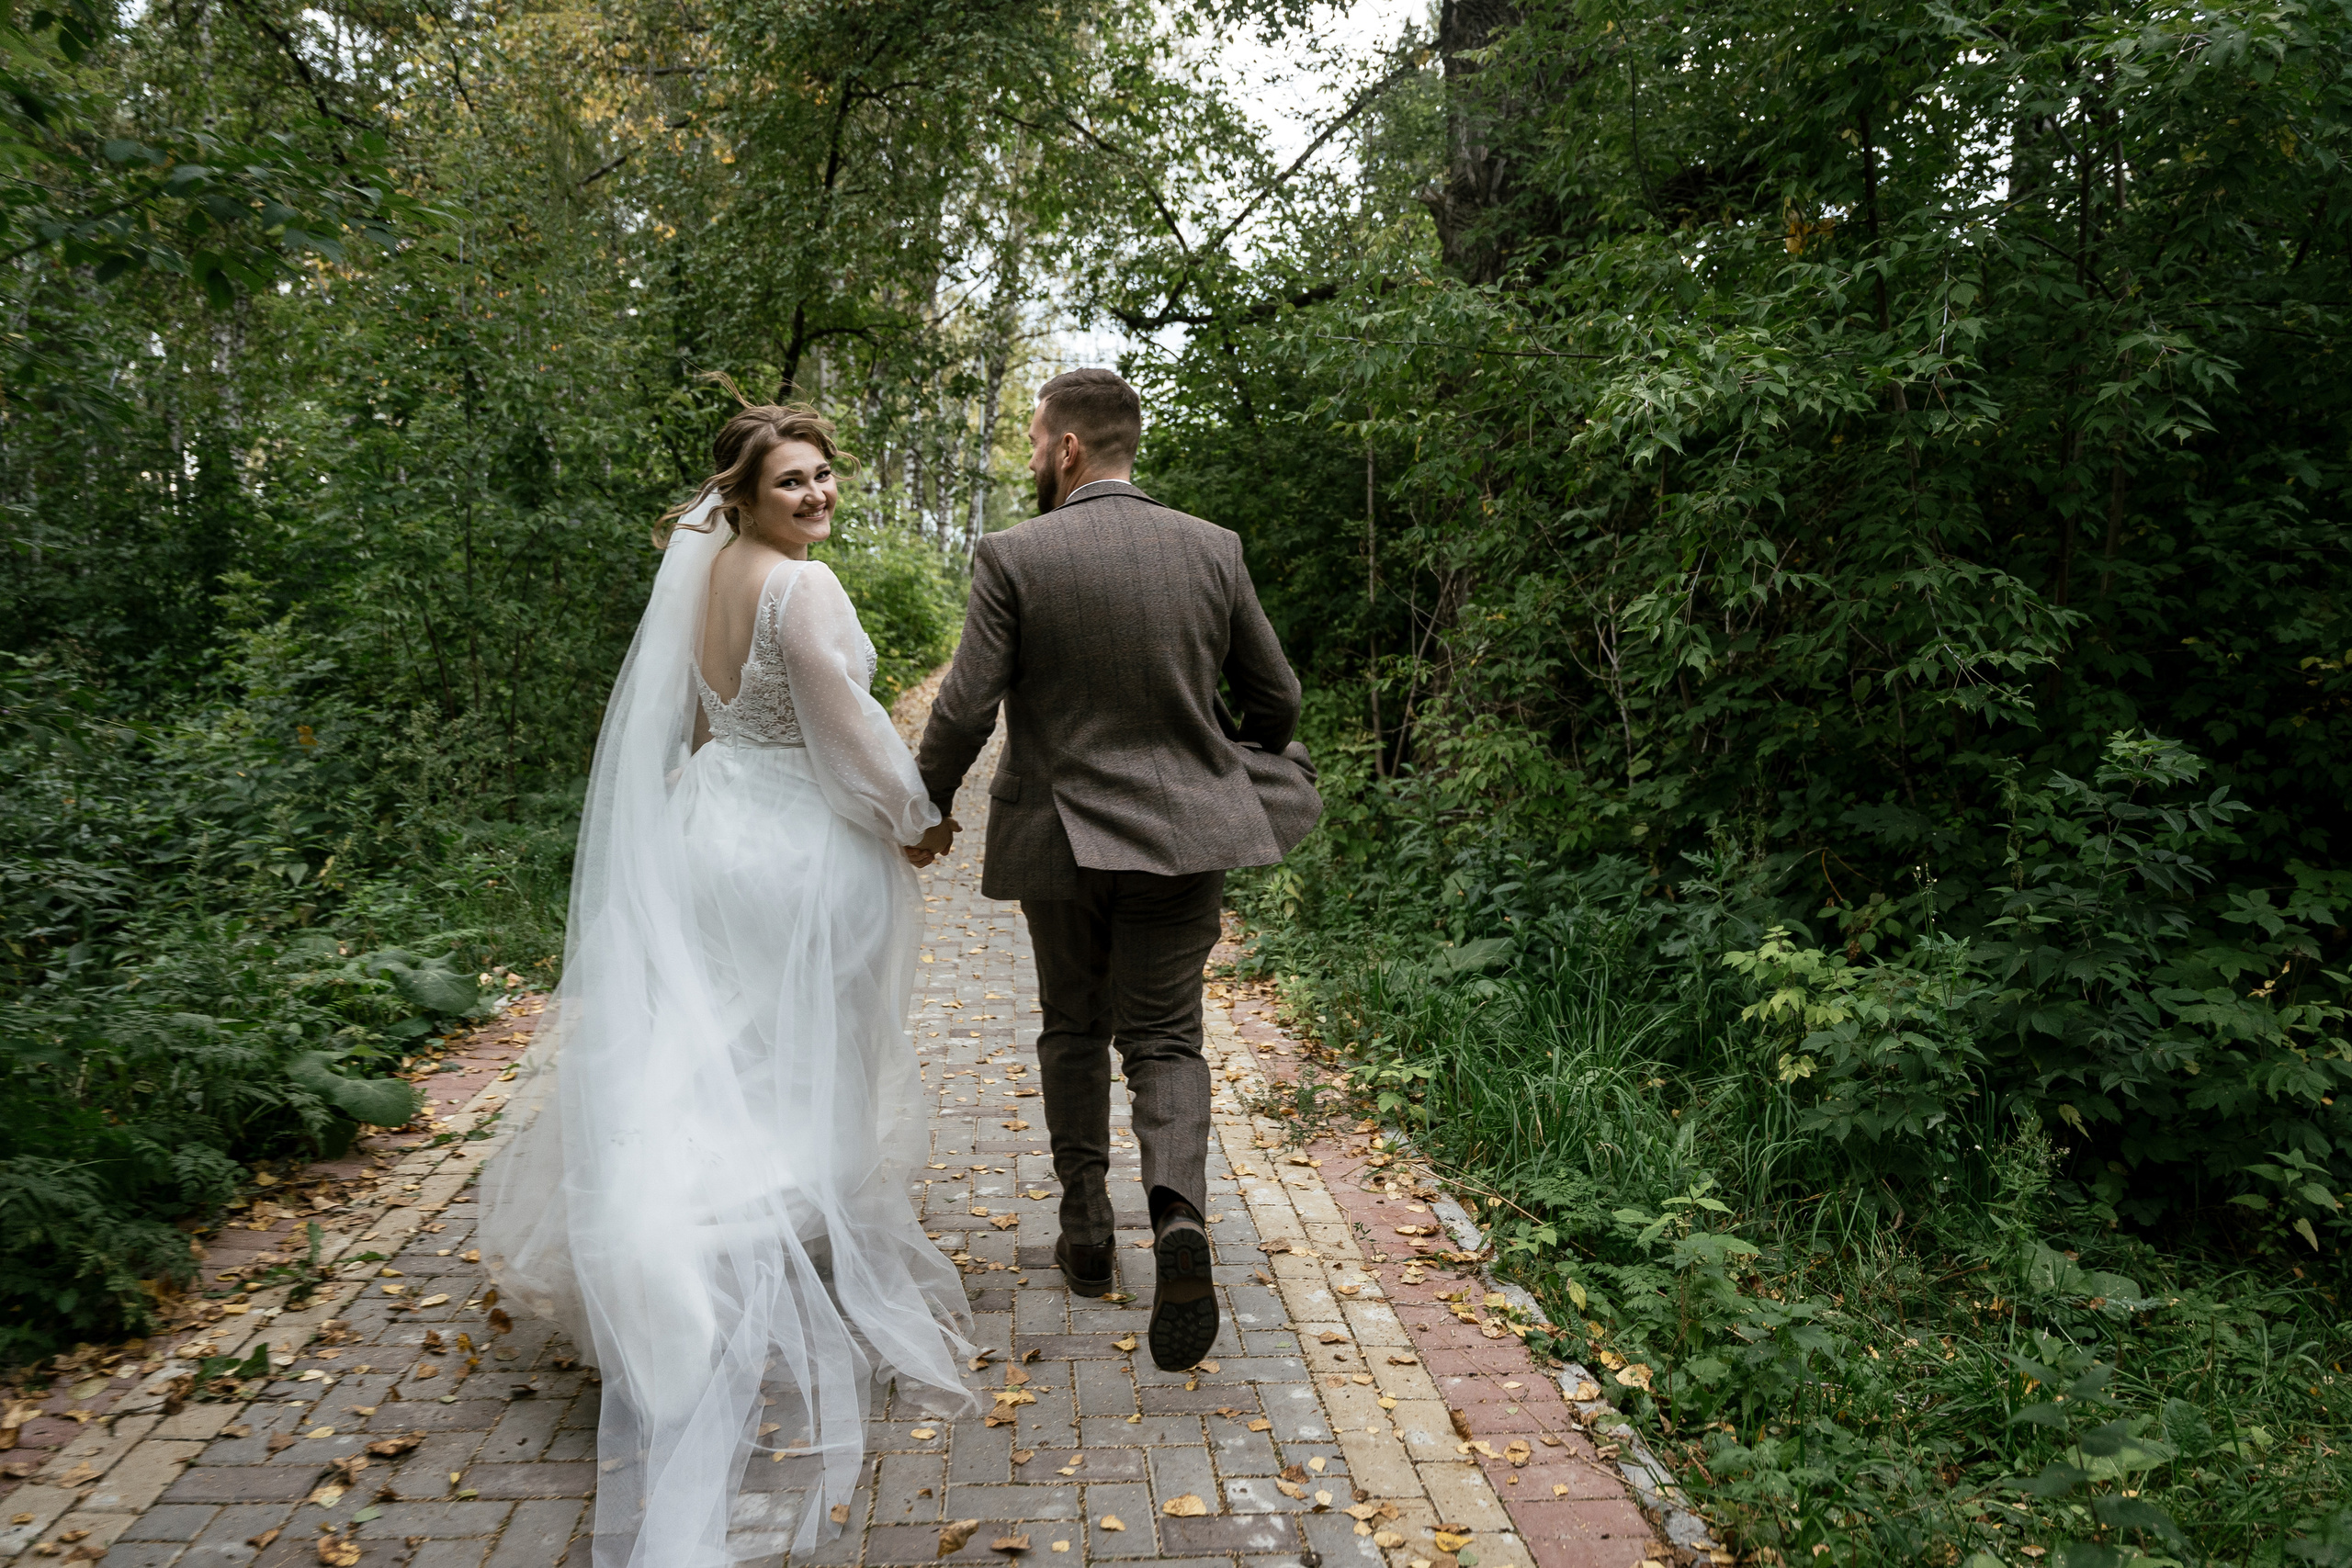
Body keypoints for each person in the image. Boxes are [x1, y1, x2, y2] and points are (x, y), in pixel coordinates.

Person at [480, 383, 973, 1568]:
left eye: (822, 473)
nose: (816, 493)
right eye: (790, 480)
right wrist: (913, 819)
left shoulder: (702, 578)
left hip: (712, 831)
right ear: (742, 496)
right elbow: (842, 726)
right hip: (796, 848)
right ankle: (724, 1249)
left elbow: (705, 723)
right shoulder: (802, 585)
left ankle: (674, 1241)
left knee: (717, 1055)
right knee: (803, 1057)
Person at [915, 367, 1318, 1372]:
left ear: (1066, 449)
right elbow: (1277, 697)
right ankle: (1177, 1215)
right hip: (1184, 838)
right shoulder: (1212, 548)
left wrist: (927, 803)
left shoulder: (1014, 555)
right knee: (1165, 1036)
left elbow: (965, 706)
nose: (1032, 457)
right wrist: (1227, 757)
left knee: (1073, 1026)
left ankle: (1087, 1232)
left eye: (1033, 441)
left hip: (1056, 838)